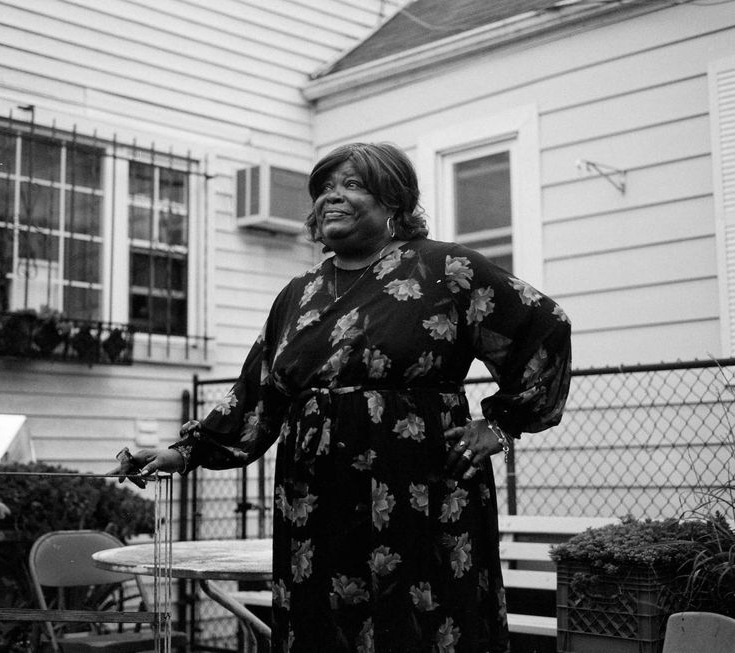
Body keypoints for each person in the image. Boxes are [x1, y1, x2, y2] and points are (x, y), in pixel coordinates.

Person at [114, 142, 571, 653]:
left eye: (352, 184)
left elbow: (544, 327)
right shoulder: (297, 294)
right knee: (324, 627)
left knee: (425, 625)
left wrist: (501, 423)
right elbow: (259, 393)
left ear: (393, 202)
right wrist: (183, 453)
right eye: (325, 188)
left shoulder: (446, 269)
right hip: (316, 502)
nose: (333, 197)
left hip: (422, 495)